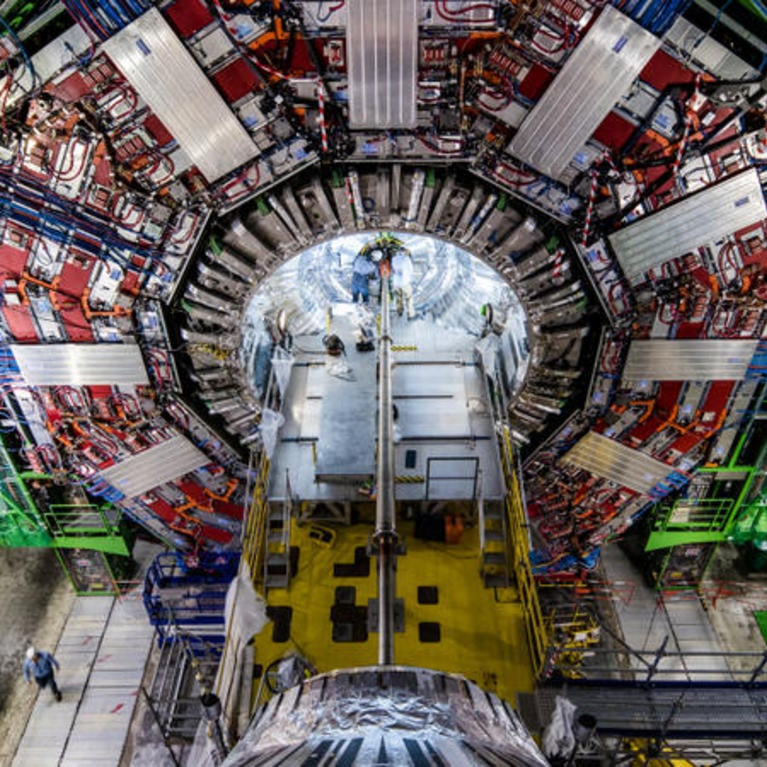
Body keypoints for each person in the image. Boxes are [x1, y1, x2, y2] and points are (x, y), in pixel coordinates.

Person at [391, 247, 416, 319]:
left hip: (396, 282)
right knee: (409, 297)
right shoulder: (406, 259)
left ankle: (399, 311)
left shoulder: (394, 259)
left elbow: (393, 269)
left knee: (398, 297)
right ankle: (410, 314)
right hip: (405, 282)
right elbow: (411, 270)